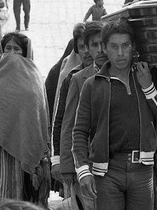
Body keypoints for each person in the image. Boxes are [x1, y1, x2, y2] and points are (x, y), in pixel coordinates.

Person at [72, 20, 157, 210]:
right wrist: (83, 170)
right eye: (114, 46)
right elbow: (79, 131)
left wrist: (148, 87)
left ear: (133, 46)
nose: (120, 53)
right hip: (106, 172)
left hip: (142, 171)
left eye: (125, 45)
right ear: (104, 47)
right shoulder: (93, 84)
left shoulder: (147, 74)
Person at [0, 32, 50, 208]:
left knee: (23, 198)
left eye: (17, 49)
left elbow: (37, 110)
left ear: (25, 52)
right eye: (8, 48)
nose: (11, 53)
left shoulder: (33, 75)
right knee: (1, 190)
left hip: (26, 142)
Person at [59, 21, 107, 209]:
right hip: (86, 161)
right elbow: (69, 124)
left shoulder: (126, 74)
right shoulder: (79, 79)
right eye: (94, 45)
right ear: (86, 48)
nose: (100, 49)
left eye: (104, 43)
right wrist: (67, 165)